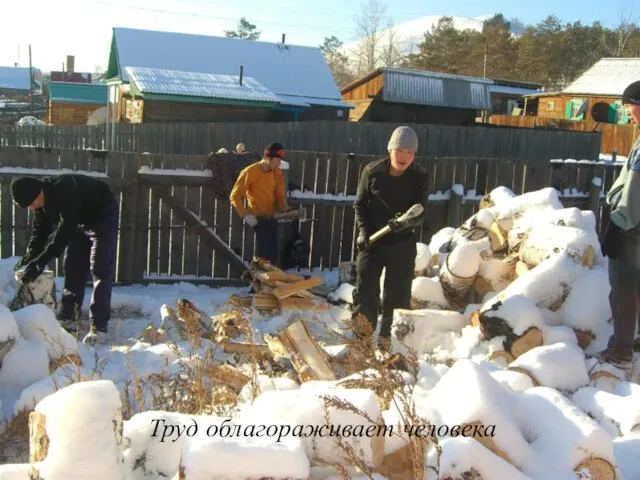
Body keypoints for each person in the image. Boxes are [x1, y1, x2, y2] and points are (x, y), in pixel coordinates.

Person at [11, 174, 119, 346]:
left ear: (38, 192)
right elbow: (40, 232)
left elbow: (63, 233)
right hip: (78, 221)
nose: (32, 208)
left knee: (100, 267)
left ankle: (99, 325)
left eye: (31, 203)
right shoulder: (40, 203)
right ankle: (69, 315)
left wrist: (40, 262)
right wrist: (31, 257)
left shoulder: (64, 188)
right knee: (72, 266)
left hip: (102, 215)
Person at [351, 126, 429, 346]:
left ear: (414, 154)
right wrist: (364, 232)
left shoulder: (419, 176)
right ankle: (361, 344)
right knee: (365, 294)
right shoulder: (373, 171)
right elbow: (359, 204)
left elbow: (420, 213)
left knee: (397, 298)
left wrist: (405, 223)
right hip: (372, 243)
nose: (404, 157)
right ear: (390, 149)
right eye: (399, 150)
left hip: (401, 245)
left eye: (409, 152)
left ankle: (390, 345)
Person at [599, 80, 640, 375]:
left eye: (629, 107)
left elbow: (636, 188)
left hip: (633, 225)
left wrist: (618, 224)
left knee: (623, 286)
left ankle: (621, 350)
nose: (627, 114)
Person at [229, 142, 288, 264]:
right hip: (258, 220)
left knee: (274, 257)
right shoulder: (250, 172)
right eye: (277, 161)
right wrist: (245, 215)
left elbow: (280, 195)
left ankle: (269, 281)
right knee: (263, 259)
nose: (279, 164)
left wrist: (285, 209)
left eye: (280, 161)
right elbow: (234, 196)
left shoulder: (277, 172)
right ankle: (259, 281)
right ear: (267, 158)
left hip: (272, 219)